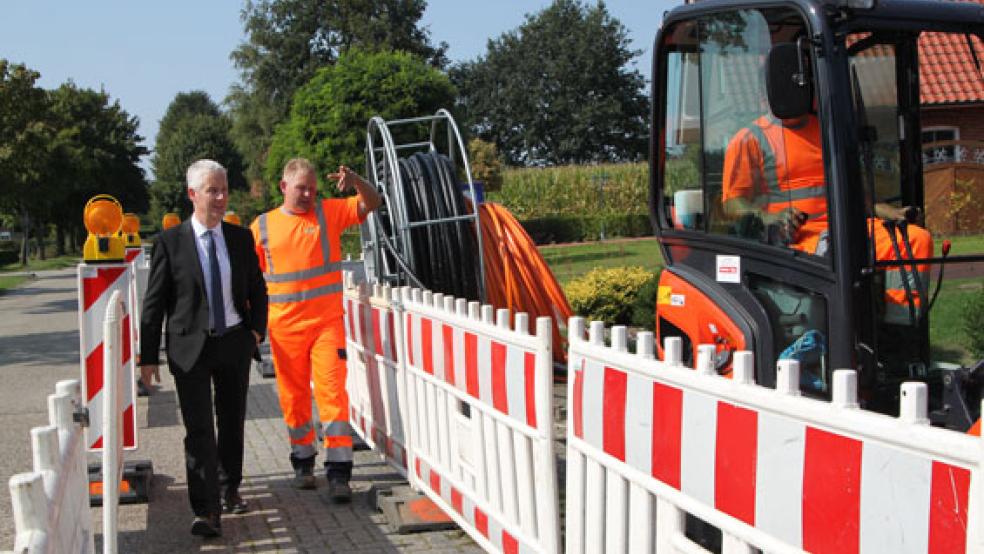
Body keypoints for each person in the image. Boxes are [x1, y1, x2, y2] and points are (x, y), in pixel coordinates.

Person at [139, 160, 268, 538]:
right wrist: (148, 358)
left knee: (232, 422)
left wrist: (256, 332)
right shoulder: (169, 242)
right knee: (199, 430)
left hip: (233, 343)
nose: (220, 197)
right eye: (212, 190)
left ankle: (230, 488)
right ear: (192, 194)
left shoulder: (240, 238)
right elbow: (154, 304)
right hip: (189, 348)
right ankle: (206, 510)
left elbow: (258, 289)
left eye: (224, 189)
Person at [251, 158, 381, 502]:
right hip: (284, 330)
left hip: (326, 325)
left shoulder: (329, 213)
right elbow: (250, 281)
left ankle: (339, 473)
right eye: (300, 188)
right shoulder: (262, 227)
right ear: (283, 187)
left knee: (332, 395)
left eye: (312, 187)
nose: (308, 194)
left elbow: (374, 202)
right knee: (293, 400)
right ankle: (303, 464)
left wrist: (356, 180)